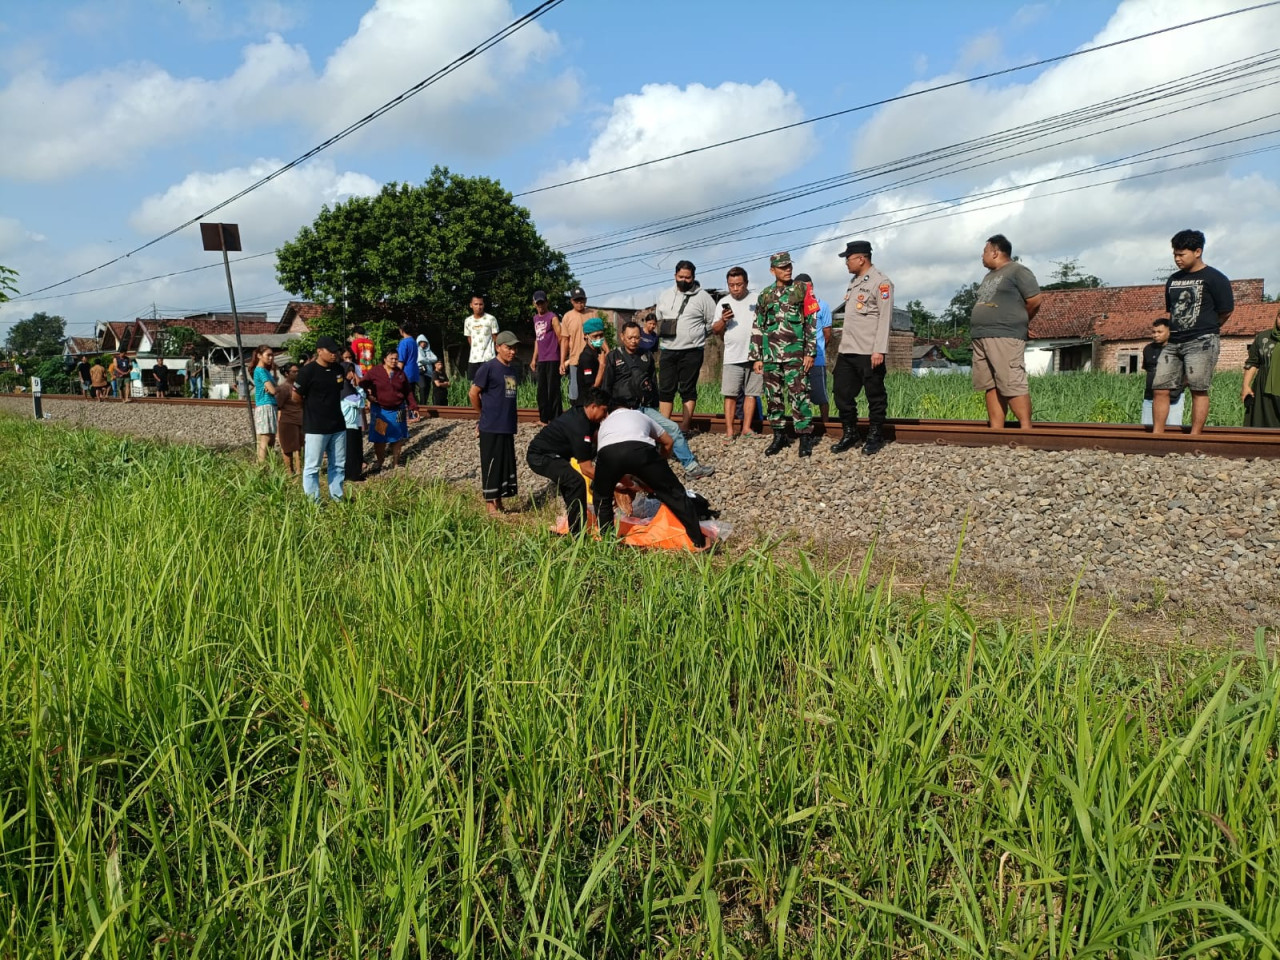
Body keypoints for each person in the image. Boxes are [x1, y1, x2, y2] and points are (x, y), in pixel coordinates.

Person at [603, 320, 715, 479]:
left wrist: (654, 408)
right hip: (622, 410)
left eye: (637, 337)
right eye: (630, 338)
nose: (634, 341)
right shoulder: (613, 357)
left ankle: (691, 467)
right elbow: (606, 385)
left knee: (674, 429)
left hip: (643, 408)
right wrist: (607, 412)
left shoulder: (646, 356)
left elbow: (652, 383)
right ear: (622, 337)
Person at [1154, 229, 1234, 435]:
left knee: (1198, 388)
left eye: (1182, 254)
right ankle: (1157, 434)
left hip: (1202, 341)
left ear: (1197, 252)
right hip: (1174, 341)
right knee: (1160, 387)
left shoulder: (1215, 278)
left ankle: (1195, 436)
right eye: (1175, 254)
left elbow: (1226, 311)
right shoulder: (1173, 280)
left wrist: (1206, 328)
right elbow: (1171, 311)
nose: (1177, 259)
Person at [592, 407, 706, 549]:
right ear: (631, 409)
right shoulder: (641, 416)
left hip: (608, 453)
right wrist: (660, 464)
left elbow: (605, 452)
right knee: (675, 493)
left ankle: (607, 543)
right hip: (640, 451)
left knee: (602, 497)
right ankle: (699, 541)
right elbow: (668, 442)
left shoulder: (605, 423)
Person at [969, 233, 1041, 430]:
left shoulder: (1018, 271)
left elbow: (1034, 301)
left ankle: (1026, 430)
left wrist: (1019, 321)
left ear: (995, 252)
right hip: (981, 336)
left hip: (1005, 335)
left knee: (1011, 382)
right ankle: (996, 431)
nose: (981, 255)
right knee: (990, 385)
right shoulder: (989, 276)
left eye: (984, 251)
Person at [751, 252, 819, 457]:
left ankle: (805, 437)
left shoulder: (802, 290)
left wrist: (810, 352)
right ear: (773, 270)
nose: (787, 269)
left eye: (789, 265)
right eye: (782, 267)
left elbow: (811, 322)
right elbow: (758, 326)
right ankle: (779, 435)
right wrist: (757, 356)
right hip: (771, 356)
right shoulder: (764, 295)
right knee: (773, 397)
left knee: (800, 395)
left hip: (796, 354)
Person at [831, 242, 894, 455]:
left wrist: (879, 350)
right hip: (848, 350)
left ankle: (875, 436)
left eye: (848, 258)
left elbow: (885, 318)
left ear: (861, 258)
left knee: (874, 395)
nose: (846, 263)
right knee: (841, 392)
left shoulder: (881, 282)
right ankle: (850, 432)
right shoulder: (854, 282)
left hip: (869, 351)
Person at [527, 387, 611, 535]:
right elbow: (586, 469)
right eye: (604, 411)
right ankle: (578, 534)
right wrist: (612, 482)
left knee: (571, 484)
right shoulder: (580, 426)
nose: (605, 416)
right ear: (593, 406)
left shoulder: (585, 415)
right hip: (541, 456)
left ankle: (574, 524)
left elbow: (597, 443)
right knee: (576, 482)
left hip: (558, 454)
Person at [656, 260, 717, 434]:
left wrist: (698, 333)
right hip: (668, 348)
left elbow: (713, 321)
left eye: (688, 277)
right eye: (681, 277)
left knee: (687, 389)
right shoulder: (665, 295)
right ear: (675, 276)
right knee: (666, 389)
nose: (684, 280)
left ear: (693, 277)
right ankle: (664, 426)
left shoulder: (703, 297)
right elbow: (659, 317)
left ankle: (684, 426)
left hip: (692, 350)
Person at [470, 329, 521, 516]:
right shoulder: (489, 367)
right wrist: (482, 415)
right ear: (498, 347)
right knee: (491, 464)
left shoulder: (511, 370)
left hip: (507, 425)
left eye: (515, 348)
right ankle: (490, 506)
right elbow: (473, 393)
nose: (512, 352)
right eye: (508, 347)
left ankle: (499, 503)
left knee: (503, 464)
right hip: (491, 425)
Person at [294, 335, 348, 503]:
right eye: (331, 351)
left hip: (338, 424)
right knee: (312, 467)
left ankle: (338, 498)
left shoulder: (338, 369)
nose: (334, 354)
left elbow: (338, 390)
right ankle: (313, 502)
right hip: (316, 426)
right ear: (319, 351)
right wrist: (312, 408)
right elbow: (296, 396)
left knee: (338, 465)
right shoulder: (307, 372)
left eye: (336, 351)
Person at [718, 266, 761, 441]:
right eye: (731, 285)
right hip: (732, 356)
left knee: (751, 393)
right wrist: (723, 319)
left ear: (746, 283)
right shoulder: (722, 302)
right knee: (730, 394)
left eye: (739, 284)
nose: (735, 288)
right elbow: (715, 329)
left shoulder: (757, 300)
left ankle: (746, 428)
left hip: (755, 355)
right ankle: (729, 431)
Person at [361, 344, 419, 472]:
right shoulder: (375, 371)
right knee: (380, 438)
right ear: (385, 359)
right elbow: (363, 384)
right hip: (380, 410)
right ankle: (380, 461)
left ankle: (396, 462)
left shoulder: (400, 374)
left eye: (396, 359)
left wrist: (413, 406)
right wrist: (368, 395)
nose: (394, 361)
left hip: (399, 409)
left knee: (398, 436)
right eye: (391, 358)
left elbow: (408, 391)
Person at [794, 272, 833, 425]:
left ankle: (825, 425)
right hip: (796, 359)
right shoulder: (793, 307)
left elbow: (827, 333)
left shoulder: (822, 306)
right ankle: (804, 425)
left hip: (817, 360)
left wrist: (817, 349)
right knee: (800, 396)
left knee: (821, 395)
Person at [1140, 318, 1185, 427]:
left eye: (1160, 332)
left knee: (1172, 431)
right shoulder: (1148, 349)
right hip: (1150, 398)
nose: (1155, 335)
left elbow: (1187, 373)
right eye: (1154, 332)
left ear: (1169, 332)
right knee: (1147, 431)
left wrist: (1178, 390)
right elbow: (1148, 370)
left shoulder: (1179, 349)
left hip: (1173, 399)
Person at [1242, 307, 1280, 429]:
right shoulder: (1263, 338)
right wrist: (1246, 386)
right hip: (1264, 389)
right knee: (1263, 423)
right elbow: (1252, 363)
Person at [531, 290, 563, 425]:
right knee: (541, 390)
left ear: (546, 302)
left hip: (553, 357)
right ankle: (544, 418)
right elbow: (538, 339)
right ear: (534, 304)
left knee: (553, 389)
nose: (540, 305)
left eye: (542, 303)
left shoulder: (552, 317)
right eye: (538, 303)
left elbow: (561, 337)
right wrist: (534, 359)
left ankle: (556, 419)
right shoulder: (535, 318)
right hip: (542, 359)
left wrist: (562, 359)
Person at [560, 286, 591, 406]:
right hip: (575, 360)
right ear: (572, 301)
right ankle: (576, 413)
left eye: (582, 300)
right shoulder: (567, 317)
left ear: (586, 300)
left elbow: (601, 337)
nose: (580, 303)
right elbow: (564, 341)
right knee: (575, 390)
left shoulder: (592, 314)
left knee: (590, 388)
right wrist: (562, 361)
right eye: (577, 301)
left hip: (591, 359)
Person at [276, 361, 304, 475]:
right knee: (288, 448)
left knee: (300, 446)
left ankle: (299, 470)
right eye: (294, 371)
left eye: (298, 371)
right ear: (287, 373)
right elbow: (278, 404)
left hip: (300, 419)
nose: (297, 373)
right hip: (288, 420)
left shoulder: (299, 385)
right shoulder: (283, 388)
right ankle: (289, 471)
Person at [251, 346, 278, 463]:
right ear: (259, 356)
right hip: (265, 405)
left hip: (270, 405)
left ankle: (268, 466)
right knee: (265, 439)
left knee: (271, 440)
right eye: (268, 355)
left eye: (272, 355)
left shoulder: (266, 371)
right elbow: (273, 390)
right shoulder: (260, 370)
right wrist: (275, 389)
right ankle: (260, 468)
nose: (271, 358)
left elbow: (274, 388)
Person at [341, 361, 367, 483]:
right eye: (349, 371)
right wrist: (359, 387)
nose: (352, 374)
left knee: (356, 449)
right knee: (351, 451)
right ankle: (351, 475)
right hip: (348, 423)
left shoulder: (349, 386)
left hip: (354, 423)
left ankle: (355, 473)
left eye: (353, 371)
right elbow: (359, 402)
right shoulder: (345, 388)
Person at [464, 295, 499, 381]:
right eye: (476, 304)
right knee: (474, 385)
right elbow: (469, 338)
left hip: (488, 358)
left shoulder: (491, 319)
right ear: (471, 305)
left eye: (481, 304)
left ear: (483, 305)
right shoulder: (468, 321)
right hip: (474, 359)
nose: (478, 307)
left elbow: (496, 338)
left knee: (489, 383)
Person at [576, 317, 608, 400]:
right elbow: (592, 388)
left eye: (601, 335)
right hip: (588, 404)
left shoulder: (598, 352)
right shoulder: (586, 357)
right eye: (595, 336)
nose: (598, 339)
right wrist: (602, 366)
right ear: (586, 336)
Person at [396, 321, 421, 403]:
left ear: (402, 330)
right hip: (413, 370)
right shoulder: (414, 341)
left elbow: (401, 360)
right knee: (411, 393)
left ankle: (409, 413)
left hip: (405, 371)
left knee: (404, 394)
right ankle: (413, 412)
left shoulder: (404, 342)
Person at [416, 333, 438, 405]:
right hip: (420, 371)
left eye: (425, 342)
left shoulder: (429, 351)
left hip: (428, 373)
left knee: (427, 390)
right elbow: (420, 359)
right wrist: (429, 360)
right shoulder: (417, 350)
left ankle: (424, 404)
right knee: (423, 387)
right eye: (422, 342)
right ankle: (421, 404)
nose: (423, 344)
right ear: (419, 342)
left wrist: (426, 360)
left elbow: (435, 358)